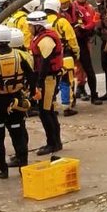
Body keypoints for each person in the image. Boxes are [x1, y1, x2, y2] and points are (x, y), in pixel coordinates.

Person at [0, 27, 36, 179]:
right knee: (18, 134)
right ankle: (23, 166)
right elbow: (31, 76)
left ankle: (3, 170)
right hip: (16, 99)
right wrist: (32, 94)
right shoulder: (20, 56)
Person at [27, 10, 64, 156]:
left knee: (45, 111)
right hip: (45, 78)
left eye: (30, 25)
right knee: (47, 111)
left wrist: (38, 82)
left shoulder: (45, 40)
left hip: (49, 79)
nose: (28, 28)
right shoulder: (39, 37)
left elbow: (45, 63)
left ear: (37, 26)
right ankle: (55, 142)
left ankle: (53, 143)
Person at [44, 0, 81, 116]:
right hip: (64, 55)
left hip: (48, 56)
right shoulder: (61, 21)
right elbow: (72, 39)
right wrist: (76, 52)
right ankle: (67, 107)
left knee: (51, 81)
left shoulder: (42, 22)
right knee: (66, 80)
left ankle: (52, 106)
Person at [72, 0, 101, 104]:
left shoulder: (90, 8)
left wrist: (86, 28)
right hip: (74, 41)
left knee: (86, 66)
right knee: (74, 65)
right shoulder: (72, 7)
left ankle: (84, 88)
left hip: (85, 40)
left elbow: (95, 22)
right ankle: (79, 87)